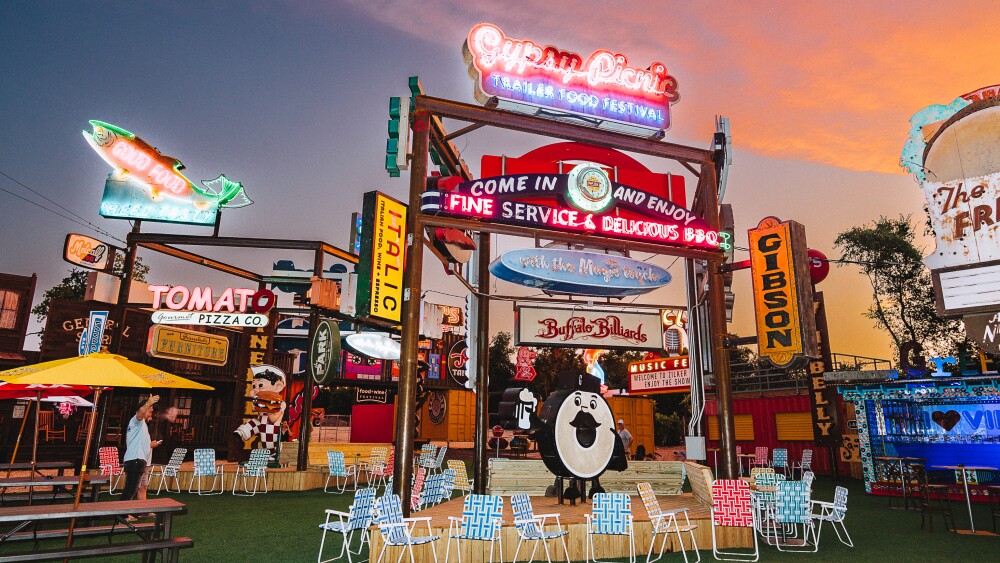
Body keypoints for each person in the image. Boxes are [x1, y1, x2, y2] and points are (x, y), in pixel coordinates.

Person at [122, 395, 162, 508]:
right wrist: (148, 403)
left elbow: (141, 445)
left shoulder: (143, 426)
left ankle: (140, 511)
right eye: (149, 411)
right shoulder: (136, 421)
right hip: (134, 460)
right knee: (130, 490)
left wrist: (152, 445)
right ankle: (121, 516)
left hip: (140, 462)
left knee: (134, 489)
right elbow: (140, 414)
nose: (151, 414)